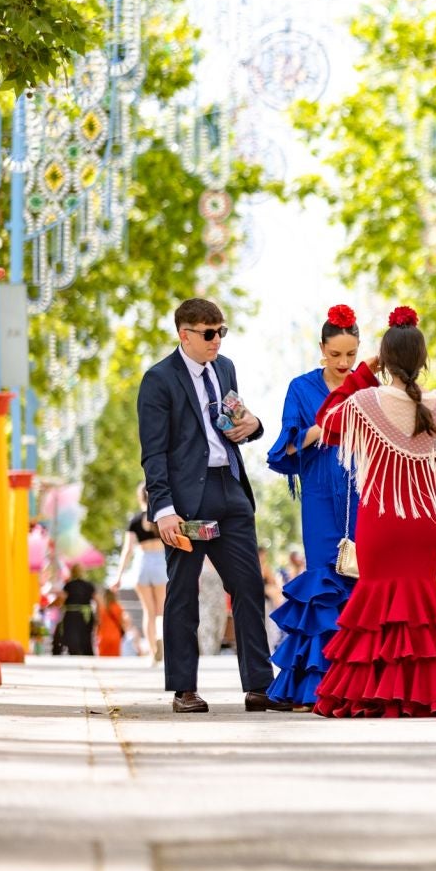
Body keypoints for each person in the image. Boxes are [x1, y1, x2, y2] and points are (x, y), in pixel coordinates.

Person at [312, 305, 436, 718]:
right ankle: (424, 694)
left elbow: (326, 422)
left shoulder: (365, 400)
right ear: (423, 360)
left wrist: (363, 372)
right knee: (417, 605)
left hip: (383, 519)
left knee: (377, 603)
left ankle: (370, 694)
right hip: (426, 524)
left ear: (384, 360)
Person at [136, 297, 278, 714]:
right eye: (209, 333)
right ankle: (184, 689)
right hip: (185, 502)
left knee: (250, 587)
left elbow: (236, 419)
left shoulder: (226, 368)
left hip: (230, 490)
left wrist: (255, 427)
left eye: (222, 332)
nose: (217, 341)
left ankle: (259, 686)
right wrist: (162, 509)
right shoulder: (158, 380)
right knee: (183, 593)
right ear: (185, 334)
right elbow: (154, 452)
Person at [263, 305, 364, 711]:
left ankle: (358, 687)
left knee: (360, 576)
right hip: (320, 494)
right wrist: (321, 429)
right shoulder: (300, 388)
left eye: (351, 355)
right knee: (324, 581)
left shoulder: (367, 388)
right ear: (321, 348)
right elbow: (284, 447)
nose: (343, 363)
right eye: (336, 354)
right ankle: (315, 689)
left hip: (362, 493)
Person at [114, 484, 168, 663]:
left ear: (140, 498)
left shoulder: (135, 520)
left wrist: (119, 576)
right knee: (162, 610)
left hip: (142, 563)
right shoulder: (161, 518)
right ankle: (162, 640)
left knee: (148, 611)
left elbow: (127, 550)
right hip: (161, 562)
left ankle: (153, 651)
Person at [53, 565, 97, 656]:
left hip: (71, 615)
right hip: (86, 615)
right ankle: (86, 654)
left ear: (72, 572)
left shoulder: (69, 585)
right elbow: (98, 601)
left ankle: (75, 653)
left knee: (72, 636)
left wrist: (52, 605)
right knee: (86, 637)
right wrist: (99, 618)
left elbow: (61, 598)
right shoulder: (89, 585)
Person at [96, 584, 128, 657]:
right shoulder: (118, 607)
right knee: (114, 660)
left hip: (103, 636)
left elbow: (98, 622)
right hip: (115, 636)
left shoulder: (101, 608)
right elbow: (122, 621)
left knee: (103, 660)